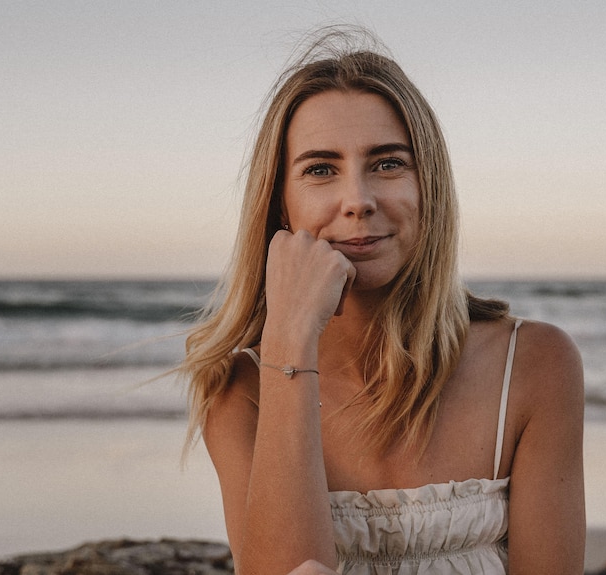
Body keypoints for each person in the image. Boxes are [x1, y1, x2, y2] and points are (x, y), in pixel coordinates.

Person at [181, 27, 585, 575]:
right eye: (321, 170)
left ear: (430, 186)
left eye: (388, 163)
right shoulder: (239, 393)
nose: (358, 201)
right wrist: (289, 339)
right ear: (281, 203)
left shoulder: (534, 364)